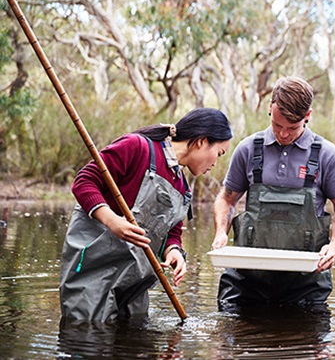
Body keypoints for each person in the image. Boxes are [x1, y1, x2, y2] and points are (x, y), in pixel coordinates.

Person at [59, 108, 233, 322]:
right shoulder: (137, 147)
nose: (216, 163)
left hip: (133, 285)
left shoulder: (182, 187)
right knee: (87, 335)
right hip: (92, 273)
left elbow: (173, 231)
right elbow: (84, 181)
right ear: (202, 142)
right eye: (219, 153)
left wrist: (174, 251)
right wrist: (112, 221)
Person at [211, 76, 335, 307]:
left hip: (306, 281)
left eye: (293, 128)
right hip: (247, 281)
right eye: (278, 125)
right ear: (270, 108)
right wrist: (221, 233)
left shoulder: (327, 154)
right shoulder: (248, 149)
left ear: (307, 116)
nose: (284, 134)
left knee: (307, 340)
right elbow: (226, 200)